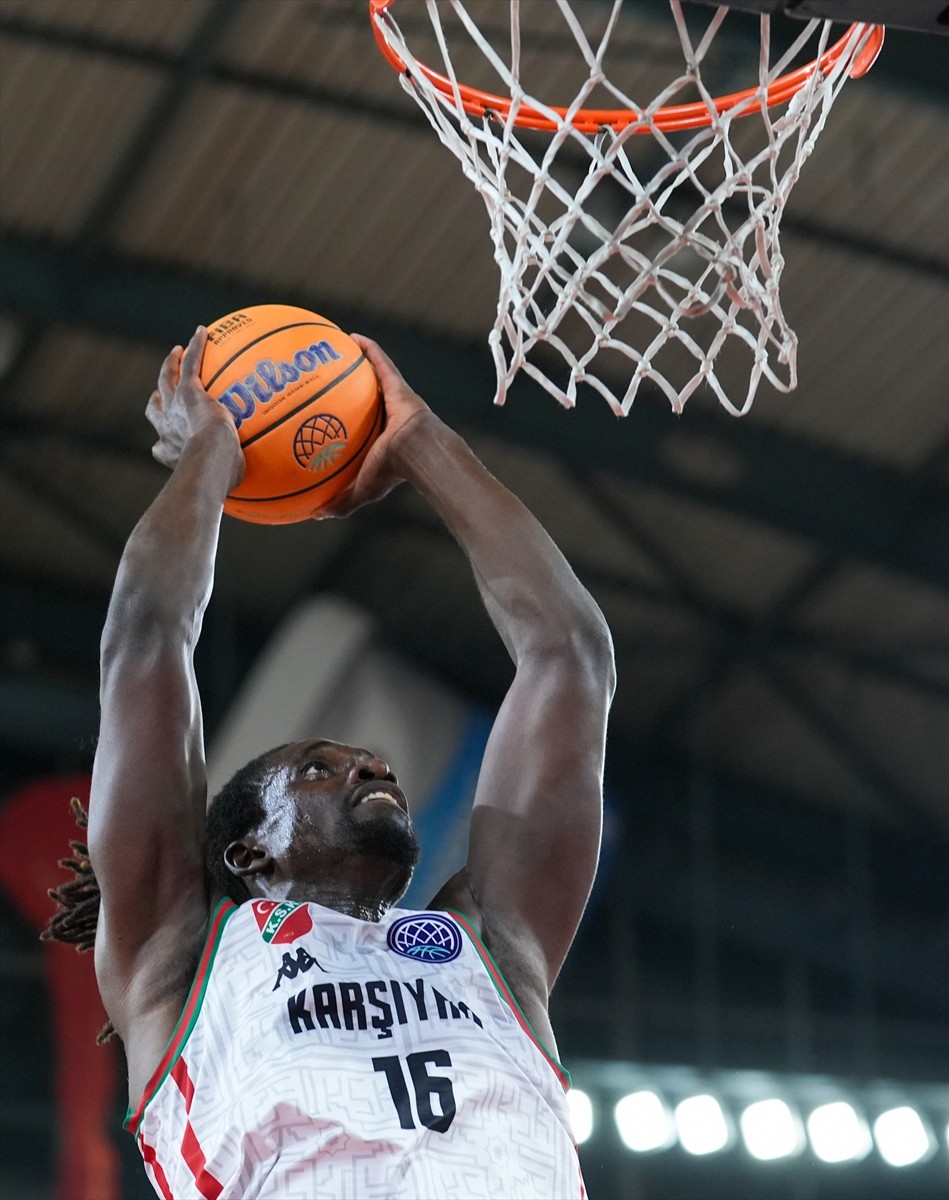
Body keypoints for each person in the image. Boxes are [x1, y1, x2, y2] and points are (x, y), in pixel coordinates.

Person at [46, 326, 615, 1200]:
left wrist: (418, 440)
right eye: (318, 769)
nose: (370, 766)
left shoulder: (493, 944)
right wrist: (213, 450)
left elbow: (569, 656)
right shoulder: (179, 964)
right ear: (249, 853)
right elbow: (147, 638)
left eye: (363, 760)